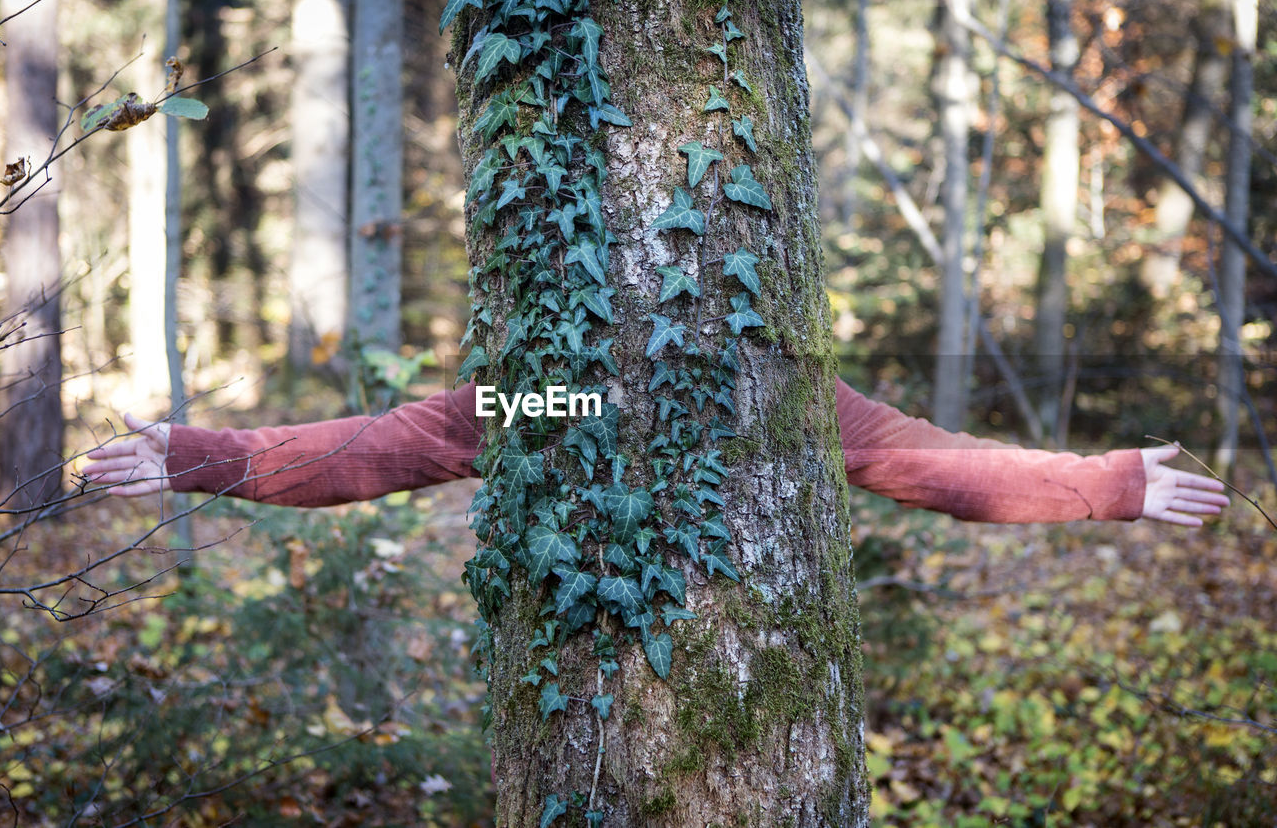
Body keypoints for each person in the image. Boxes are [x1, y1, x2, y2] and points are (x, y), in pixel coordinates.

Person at [83, 378, 1229, 526]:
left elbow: (924, 461)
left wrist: (1107, 481)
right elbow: (402, 443)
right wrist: (203, 455)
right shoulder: (573, 388)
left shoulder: (774, 387)